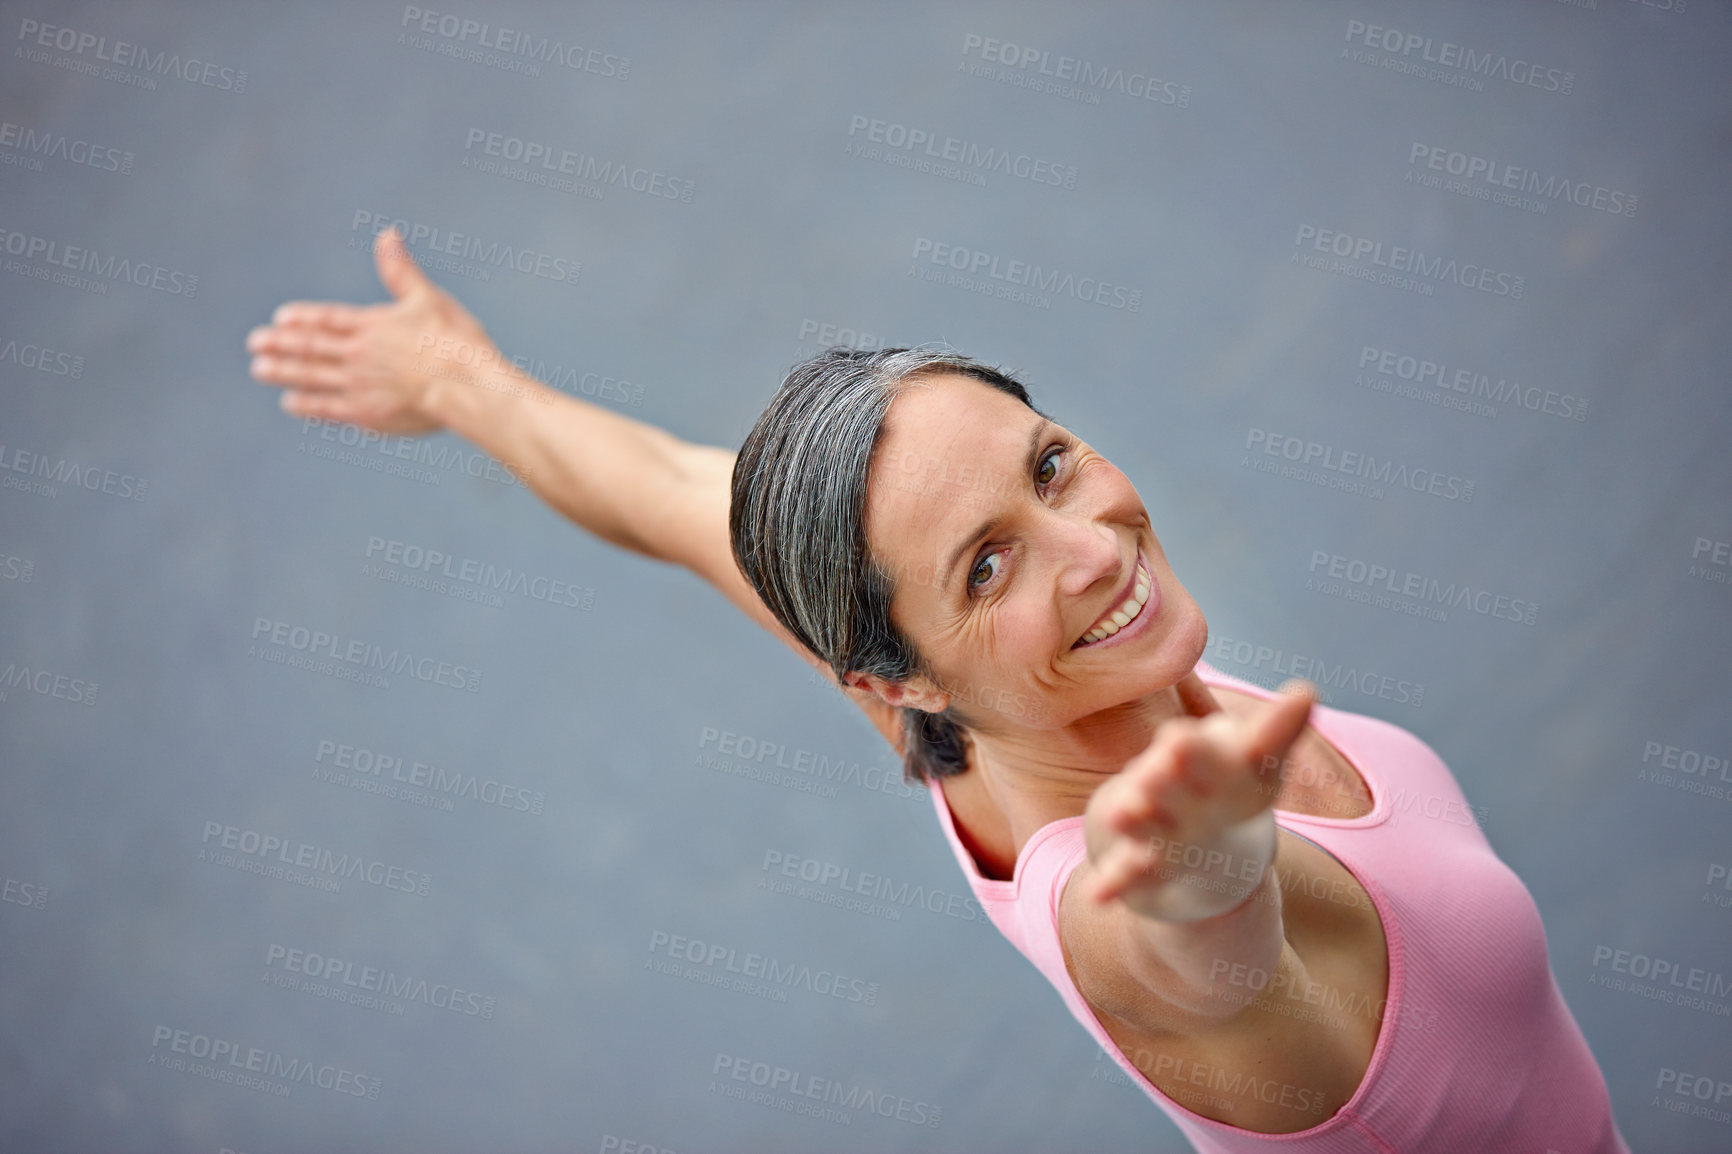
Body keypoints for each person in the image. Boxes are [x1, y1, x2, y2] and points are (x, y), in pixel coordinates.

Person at [245, 228, 1631, 1152]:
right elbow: (1206, 970)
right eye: (986, 567)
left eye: (1049, 465)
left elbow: (671, 491)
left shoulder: (957, 720)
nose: (1094, 548)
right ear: (887, 674)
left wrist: (457, 380)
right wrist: (1209, 877)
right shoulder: (1119, 894)